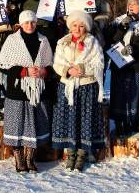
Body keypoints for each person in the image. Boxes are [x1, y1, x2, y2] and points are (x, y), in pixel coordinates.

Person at [0, 10, 53, 173]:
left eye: (33, 22)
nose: (30, 25)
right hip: (17, 90)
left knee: (34, 124)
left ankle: (30, 158)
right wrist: (24, 71)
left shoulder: (43, 40)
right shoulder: (12, 40)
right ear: (20, 24)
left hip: (37, 90)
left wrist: (44, 72)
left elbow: (50, 63)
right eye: (26, 22)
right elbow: (4, 65)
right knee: (17, 125)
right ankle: (19, 158)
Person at [52, 11, 105, 172]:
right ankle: (70, 154)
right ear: (70, 26)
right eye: (75, 25)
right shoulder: (62, 42)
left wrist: (82, 68)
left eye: (81, 26)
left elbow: (99, 64)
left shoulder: (93, 42)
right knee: (69, 119)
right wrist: (68, 70)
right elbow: (56, 63)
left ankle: (82, 154)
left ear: (86, 28)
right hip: (67, 86)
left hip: (87, 86)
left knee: (85, 119)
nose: (78, 28)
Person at [109, 0, 139, 137]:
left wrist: (134, 49)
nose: (131, 6)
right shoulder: (120, 20)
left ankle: (133, 121)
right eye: (130, 4)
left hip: (137, 65)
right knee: (119, 94)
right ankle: (119, 123)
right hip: (120, 62)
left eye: (135, 4)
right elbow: (112, 39)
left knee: (135, 95)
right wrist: (122, 27)